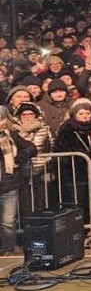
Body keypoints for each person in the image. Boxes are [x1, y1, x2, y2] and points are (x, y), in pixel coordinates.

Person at [0, 109, 38, 255]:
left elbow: (31, 147)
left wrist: (23, 155)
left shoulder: (11, 136)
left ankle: (8, 249)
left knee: (8, 221)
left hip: (9, 184)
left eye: (2, 119)